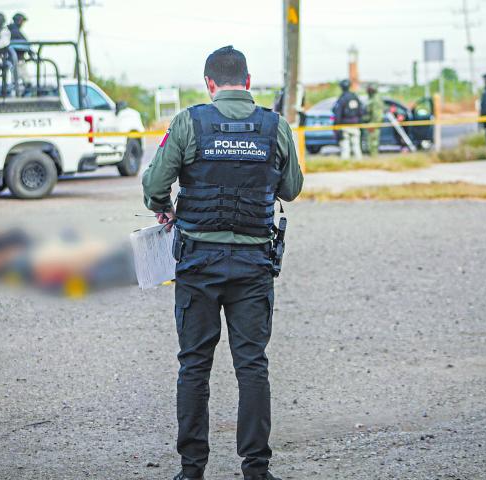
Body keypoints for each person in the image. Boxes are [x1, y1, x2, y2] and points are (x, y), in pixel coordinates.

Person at [142, 45, 303, 480]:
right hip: (253, 264)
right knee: (252, 364)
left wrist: (162, 206)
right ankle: (256, 469)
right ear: (248, 82)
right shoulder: (275, 126)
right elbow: (291, 189)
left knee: (194, 364)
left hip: (198, 264)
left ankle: (191, 470)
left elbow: (155, 183)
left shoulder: (188, 122)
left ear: (209, 84)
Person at [332, 79, 363, 160]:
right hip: (355, 125)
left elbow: (337, 114)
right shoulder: (355, 97)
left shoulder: (342, 98)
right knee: (356, 146)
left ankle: (345, 165)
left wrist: (336, 126)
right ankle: (359, 163)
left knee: (345, 148)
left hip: (345, 126)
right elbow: (361, 111)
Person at [7, 13, 33, 94]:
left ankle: (20, 93)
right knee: (23, 79)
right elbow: (24, 44)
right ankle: (19, 95)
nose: (22, 23)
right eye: (21, 21)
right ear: (18, 21)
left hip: (17, 59)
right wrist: (30, 52)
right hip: (17, 60)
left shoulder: (12, 30)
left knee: (18, 78)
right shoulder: (14, 31)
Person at [362, 84, 384, 156]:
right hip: (371, 123)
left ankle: (374, 158)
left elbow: (377, 115)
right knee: (370, 143)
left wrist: (373, 124)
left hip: (373, 124)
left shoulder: (375, 99)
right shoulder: (371, 98)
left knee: (373, 143)